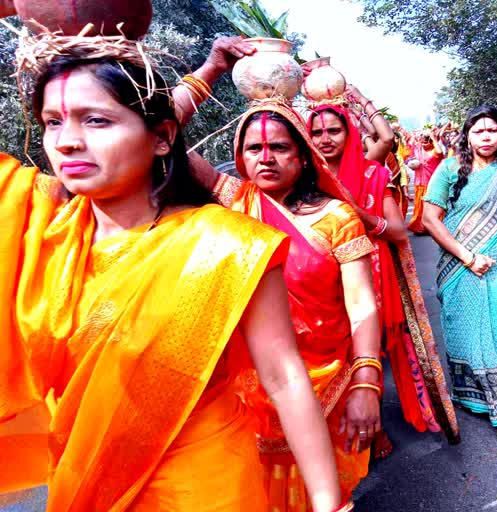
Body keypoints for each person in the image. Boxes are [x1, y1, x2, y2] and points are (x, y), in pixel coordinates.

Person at [0, 29, 345, 512]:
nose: (68, 142)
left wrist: (329, 503)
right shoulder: (39, 232)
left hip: (202, 487)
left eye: (96, 121)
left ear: (162, 137)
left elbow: (284, 377)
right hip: (83, 477)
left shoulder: (225, 245)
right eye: (52, 122)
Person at [190, 100, 382, 510]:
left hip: (325, 383)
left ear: (303, 156)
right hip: (245, 388)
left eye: (279, 147)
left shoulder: (337, 217)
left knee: (320, 493)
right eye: (253, 149)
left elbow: (362, 302)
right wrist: (208, 72)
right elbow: (161, 134)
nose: (266, 158)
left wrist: (366, 382)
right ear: (239, 157)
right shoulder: (233, 203)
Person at [308, 101, 461, 455]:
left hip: (368, 275)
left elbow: (397, 231)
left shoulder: (371, 174)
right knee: (330, 355)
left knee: (367, 353)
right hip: (318, 279)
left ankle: (372, 429)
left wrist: (355, 214)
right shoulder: (303, 176)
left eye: (334, 130)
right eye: (316, 132)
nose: (325, 138)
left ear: (349, 133)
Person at [421, 105, 497, 426]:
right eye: (478, 131)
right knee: (467, 332)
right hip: (461, 266)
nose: (486, 137)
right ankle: (480, 397)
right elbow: (429, 220)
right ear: (467, 135)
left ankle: (492, 388)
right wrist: (468, 257)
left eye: (493, 130)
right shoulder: (448, 170)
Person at [406, 128, 445, 234]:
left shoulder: (435, 151)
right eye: (422, 142)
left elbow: (440, 152)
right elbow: (409, 154)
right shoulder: (418, 149)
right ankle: (420, 227)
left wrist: (434, 138)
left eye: (426, 142)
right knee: (420, 207)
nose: (423, 144)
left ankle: (434, 227)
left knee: (432, 207)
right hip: (419, 183)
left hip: (433, 183)